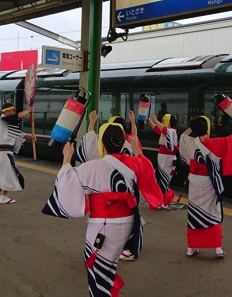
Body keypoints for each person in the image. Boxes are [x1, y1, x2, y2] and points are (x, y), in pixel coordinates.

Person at [42, 123, 162, 296]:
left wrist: (66, 158)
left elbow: (67, 181)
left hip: (103, 227)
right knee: (108, 264)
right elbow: (146, 167)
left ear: (102, 145)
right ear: (122, 144)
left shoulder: (93, 167)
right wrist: (136, 148)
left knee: (97, 269)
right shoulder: (134, 163)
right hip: (129, 223)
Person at [75, 110, 145, 261]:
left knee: (101, 252)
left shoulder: (99, 156)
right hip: (129, 194)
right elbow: (143, 163)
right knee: (132, 219)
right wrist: (133, 122)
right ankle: (128, 247)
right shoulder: (130, 143)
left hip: (103, 213)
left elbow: (89, 142)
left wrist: (92, 122)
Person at [179, 116, 232, 258]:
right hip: (210, 183)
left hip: (194, 182)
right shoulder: (215, 143)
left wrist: (192, 127)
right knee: (214, 213)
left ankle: (191, 248)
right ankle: (217, 249)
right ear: (207, 128)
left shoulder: (188, 141)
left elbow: (183, 135)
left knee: (194, 214)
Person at [0, 102, 35, 204]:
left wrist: (29, 137)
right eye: (12, 110)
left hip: (3, 152)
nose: (14, 112)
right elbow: (17, 117)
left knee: (4, 173)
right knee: (7, 174)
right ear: (6, 111)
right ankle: (4, 197)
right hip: (4, 152)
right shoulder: (2, 120)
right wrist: (29, 111)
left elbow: (16, 134)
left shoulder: (4, 122)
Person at [147, 112, 179, 208]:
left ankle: (164, 201)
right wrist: (150, 122)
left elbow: (163, 130)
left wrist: (155, 120)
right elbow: (157, 129)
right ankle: (162, 200)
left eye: (164, 120)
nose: (162, 122)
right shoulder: (166, 131)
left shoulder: (171, 131)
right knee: (159, 179)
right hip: (163, 159)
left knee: (163, 181)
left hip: (167, 159)